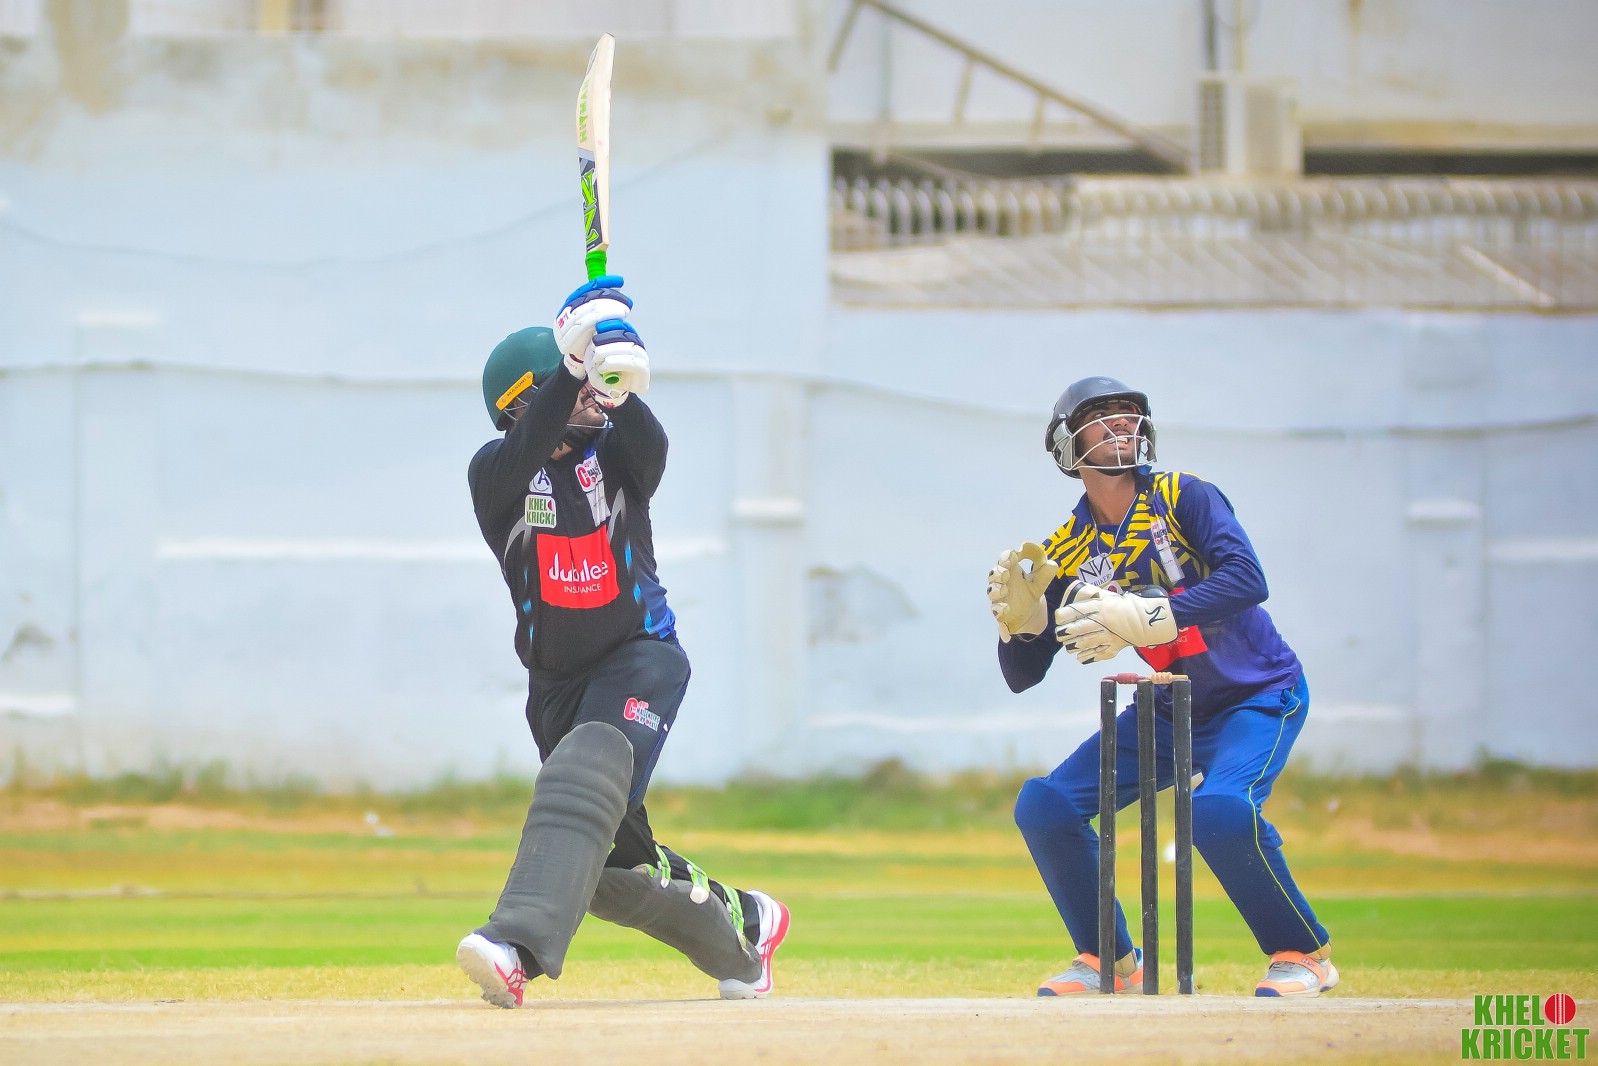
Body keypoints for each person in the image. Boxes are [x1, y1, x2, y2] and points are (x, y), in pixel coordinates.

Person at [454, 276, 789, 1008]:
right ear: (520, 403)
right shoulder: (495, 474)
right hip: (555, 686)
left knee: (590, 761)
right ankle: (744, 928)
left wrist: (616, 376)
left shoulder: (617, 458)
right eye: (571, 383)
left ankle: (514, 947)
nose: (589, 394)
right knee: (608, 865)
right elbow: (524, 451)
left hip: (641, 656)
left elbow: (652, 445)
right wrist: (571, 369)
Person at [986, 375, 1336, 998]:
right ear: (1067, 443)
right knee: (1046, 805)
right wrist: (1021, 625)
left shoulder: (1183, 496)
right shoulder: (1068, 549)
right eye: (1101, 416)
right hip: (1173, 706)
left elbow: (1247, 579)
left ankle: (1303, 953)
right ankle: (1111, 962)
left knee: (1220, 811)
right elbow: (1023, 676)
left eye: (1129, 413)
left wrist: (1155, 614)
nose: (1121, 423)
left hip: (1259, 693)